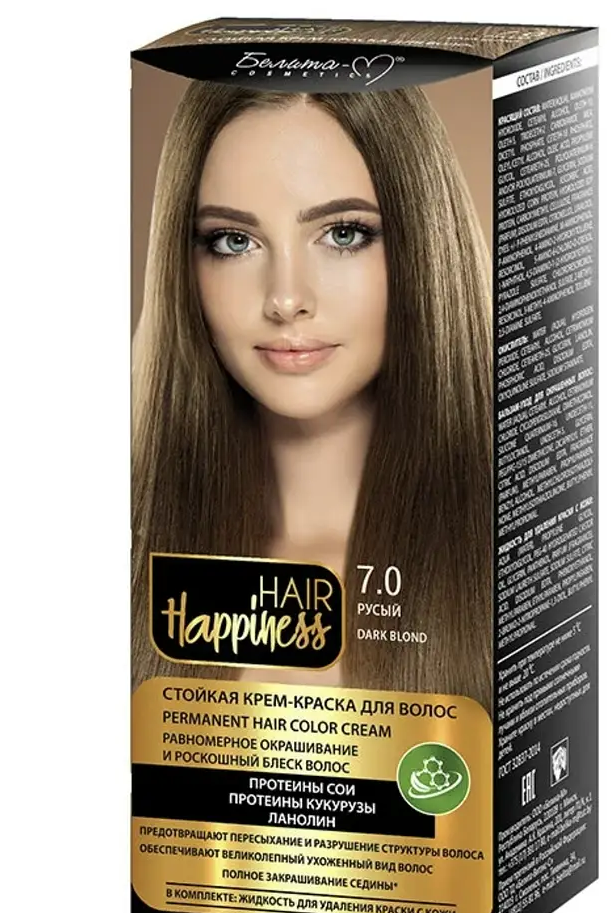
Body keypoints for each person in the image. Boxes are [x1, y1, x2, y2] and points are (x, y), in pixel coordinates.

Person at [132, 80, 494, 712]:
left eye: (344, 234)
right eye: (234, 241)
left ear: (425, 245)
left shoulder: (513, 559)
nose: (286, 298)